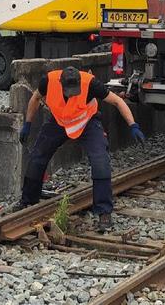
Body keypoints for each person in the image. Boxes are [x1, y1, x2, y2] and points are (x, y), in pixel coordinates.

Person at [18, 66, 146, 231]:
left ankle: (104, 212)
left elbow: (117, 101)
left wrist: (133, 125)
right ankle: (28, 201)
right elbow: (35, 98)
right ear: (61, 84)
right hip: (59, 122)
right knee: (38, 156)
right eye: (69, 91)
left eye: (75, 90)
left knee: (100, 161)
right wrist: (27, 124)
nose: (73, 93)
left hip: (87, 123)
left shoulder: (90, 83)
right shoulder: (49, 81)